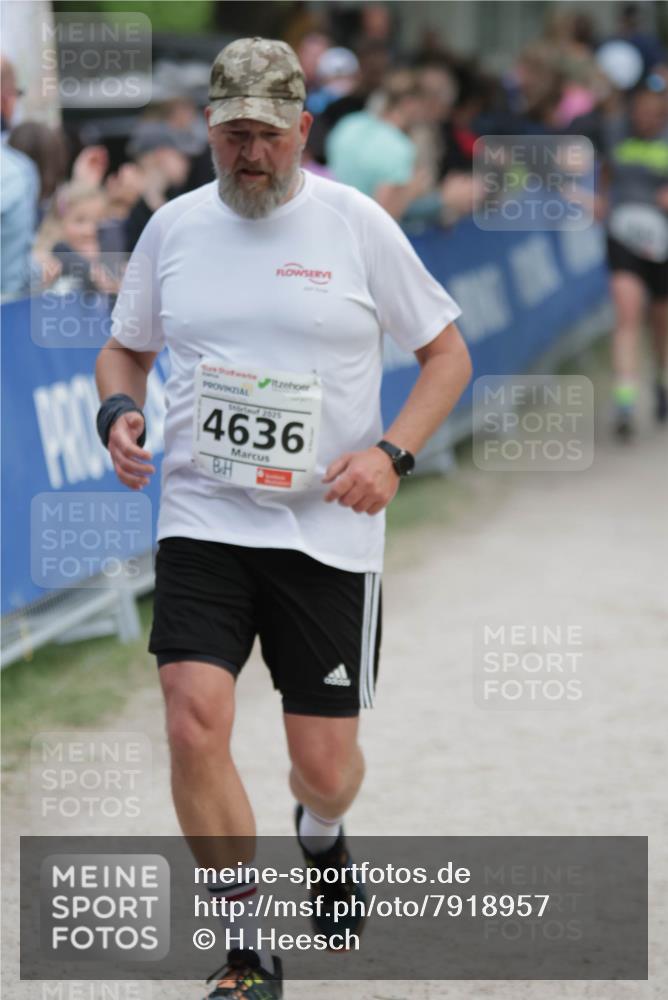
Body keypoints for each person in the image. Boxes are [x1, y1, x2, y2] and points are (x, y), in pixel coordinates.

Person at [95, 36, 471, 999]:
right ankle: (246, 945)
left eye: (266, 133)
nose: (248, 153)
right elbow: (124, 352)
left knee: (326, 767)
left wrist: (391, 456)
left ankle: (323, 834)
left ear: (304, 130)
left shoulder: (354, 225)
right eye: (231, 135)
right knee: (192, 721)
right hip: (202, 516)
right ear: (207, 132)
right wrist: (118, 412)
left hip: (326, 532)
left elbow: (447, 358)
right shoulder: (173, 228)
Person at [600, 76, 668, 437]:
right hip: (623, 234)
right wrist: (601, 201)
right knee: (626, 313)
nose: (648, 119)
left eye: (656, 114)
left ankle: (661, 381)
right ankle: (624, 401)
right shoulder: (615, 131)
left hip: (663, 239)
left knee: (660, 323)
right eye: (642, 112)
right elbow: (605, 173)